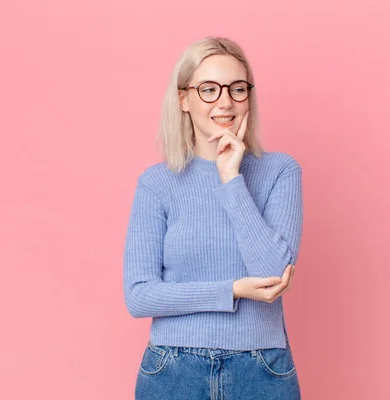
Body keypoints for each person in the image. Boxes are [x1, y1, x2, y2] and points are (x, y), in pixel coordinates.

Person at [123, 36, 303, 399]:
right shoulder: (158, 182)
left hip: (261, 368)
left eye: (237, 89)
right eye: (209, 89)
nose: (225, 101)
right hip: (173, 370)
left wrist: (231, 178)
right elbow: (139, 296)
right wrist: (232, 290)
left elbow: (271, 275)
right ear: (184, 99)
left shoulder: (280, 171)